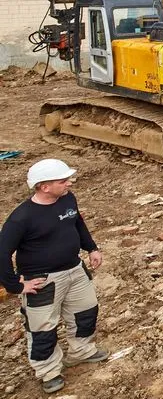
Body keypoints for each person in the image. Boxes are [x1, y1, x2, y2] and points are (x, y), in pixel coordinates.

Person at [0, 159, 106, 395]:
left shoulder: (67, 199)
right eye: (63, 180)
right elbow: (2, 253)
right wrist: (15, 286)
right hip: (43, 281)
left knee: (85, 313)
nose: (69, 183)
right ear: (44, 186)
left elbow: (78, 223)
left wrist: (92, 248)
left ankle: (82, 352)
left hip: (75, 270)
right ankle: (49, 372)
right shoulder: (21, 218)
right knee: (43, 329)